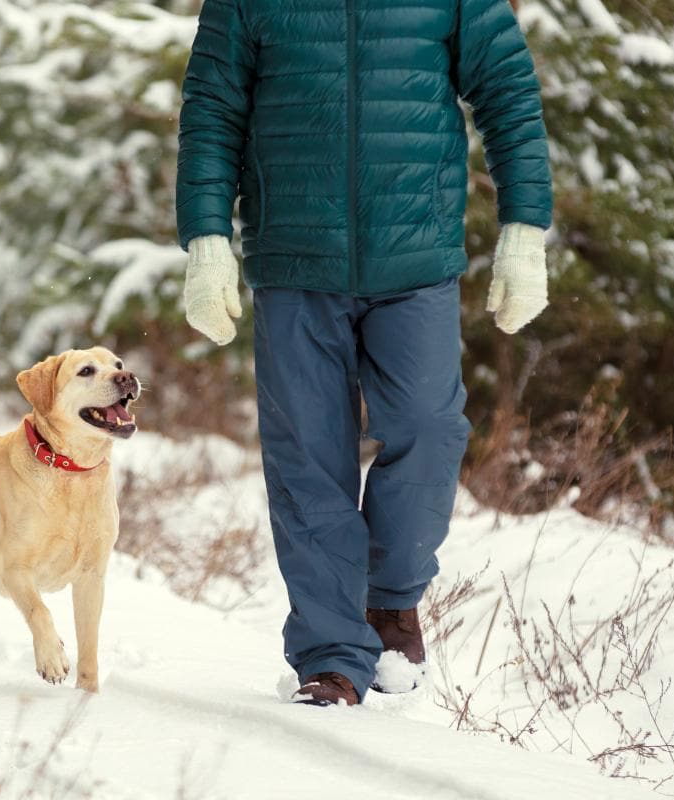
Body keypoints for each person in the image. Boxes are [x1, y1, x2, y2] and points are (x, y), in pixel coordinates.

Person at [175, 0, 552, 706]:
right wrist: (205, 241)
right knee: (308, 459)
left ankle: (391, 598)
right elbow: (213, 110)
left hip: (415, 255)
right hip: (294, 259)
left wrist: (525, 229)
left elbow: (506, 89)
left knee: (429, 428)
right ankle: (331, 656)